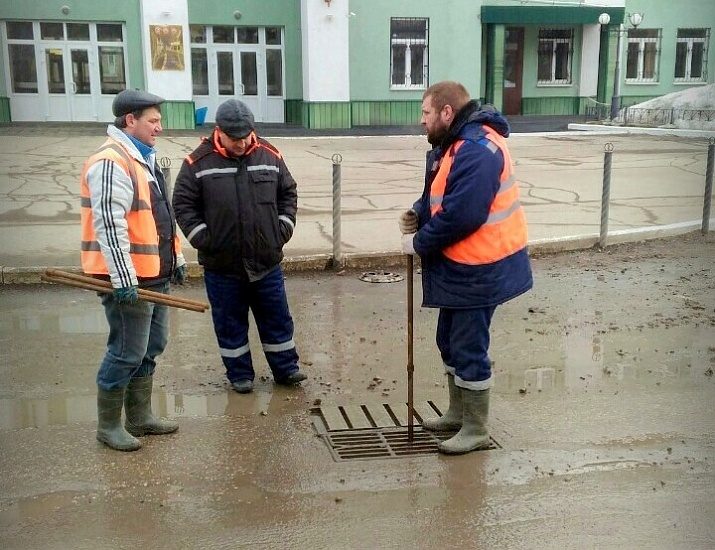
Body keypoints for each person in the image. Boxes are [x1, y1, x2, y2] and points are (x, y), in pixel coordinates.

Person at [399, 81, 533, 455]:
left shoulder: (477, 149)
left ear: (446, 112)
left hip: (481, 267)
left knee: (468, 346)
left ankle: (476, 428)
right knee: (449, 341)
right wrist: (418, 212)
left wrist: (419, 243)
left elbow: (463, 214)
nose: (421, 121)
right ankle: (458, 413)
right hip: (465, 266)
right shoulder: (454, 144)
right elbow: (441, 195)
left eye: (425, 113)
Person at [172, 99, 306, 394]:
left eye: (247, 135)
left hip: (266, 261)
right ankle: (240, 375)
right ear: (219, 131)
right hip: (223, 267)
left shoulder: (270, 154)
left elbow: (288, 192)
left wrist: (283, 229)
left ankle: (286, 369)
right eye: (235, 137)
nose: (242, 142)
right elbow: (183, 204)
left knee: (277, 319)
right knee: (230, 323)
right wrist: (205, 239)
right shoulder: (197, 163)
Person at [80, 89, 186, 451]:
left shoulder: (142, 157)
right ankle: (108, 426)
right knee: (126, 351)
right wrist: (123, 280)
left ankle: (139, 417)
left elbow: (160, 216)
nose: (160, 127)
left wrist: (178, 259)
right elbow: (110, 225)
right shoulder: (111, 161)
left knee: (152, 346)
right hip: (130, 280)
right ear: (130, 120)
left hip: (155, 273)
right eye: (153, 121)